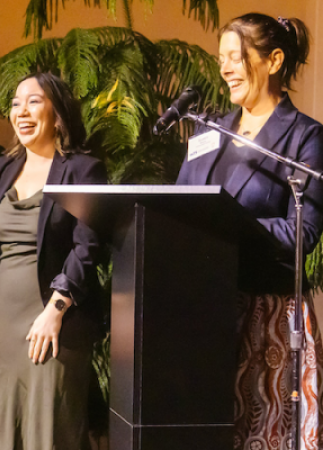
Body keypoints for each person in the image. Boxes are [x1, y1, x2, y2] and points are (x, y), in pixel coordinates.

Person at [176, 13, 323, 450]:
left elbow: (305, 230)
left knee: (263, 436)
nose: (224, 68)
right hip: (207, 310)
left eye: (235, 56)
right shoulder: (209, 131)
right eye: (220, 58)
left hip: (269, 316)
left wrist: (231, 225)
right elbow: (182, 204)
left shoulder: (305, 138)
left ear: (274, 60)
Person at [0, 73, 106, 450]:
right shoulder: (0, 169)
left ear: (57, 114)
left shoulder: (82, 169)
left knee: (49, 433)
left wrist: (55, 310)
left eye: (33, 101)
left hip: (53, 326)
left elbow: (87, 246)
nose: (21, 111)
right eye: (14, 103)